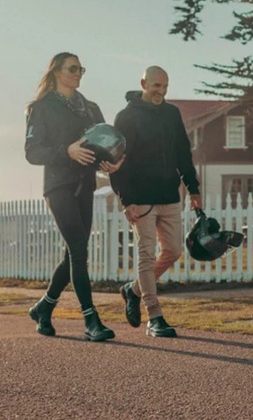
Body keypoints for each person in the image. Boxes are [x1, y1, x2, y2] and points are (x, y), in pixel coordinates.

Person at [24, 52, 120, 342]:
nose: (79, 73)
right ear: (56, 71)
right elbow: (32, 152)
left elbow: (106, 143)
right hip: (58, 186)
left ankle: (44, 307)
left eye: (81, 69)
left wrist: (111, 161)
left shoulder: (91, 108)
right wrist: (66, 151)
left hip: (85, 186)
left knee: (73, 253)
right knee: (79, 250)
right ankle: (91, 320)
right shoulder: (41, 108)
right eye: (73, 68)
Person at [110, 65, 201, 338]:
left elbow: (183, 153)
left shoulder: (172, 114)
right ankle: (155, 315)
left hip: (169, 196)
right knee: (147, 255)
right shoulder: (126, 117)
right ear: (143, 83)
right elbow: (117, 162)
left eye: (165, 86)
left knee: (173, 251)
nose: (160, 91)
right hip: (140, 199)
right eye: (156, 86)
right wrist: (127, 200)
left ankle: (133, 290)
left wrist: (193, 189)